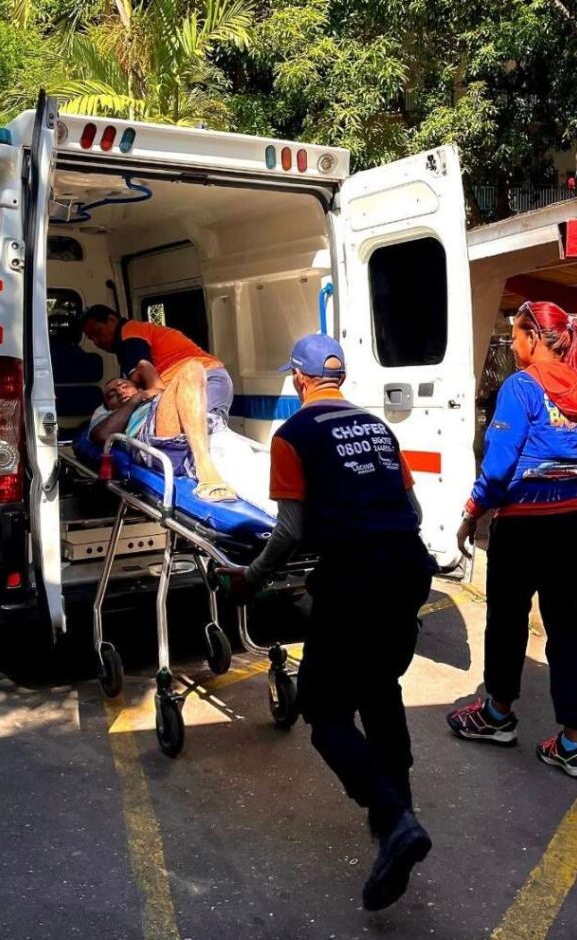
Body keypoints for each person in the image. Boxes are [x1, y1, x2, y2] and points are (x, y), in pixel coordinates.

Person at [221, 334, 437, 911]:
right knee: (380, 688)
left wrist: (252, 577)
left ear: (299, 379)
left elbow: (290, 530)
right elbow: (412, 511)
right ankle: (398, 819)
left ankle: (392, 819)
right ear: (339, 378)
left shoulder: (293, 435)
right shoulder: (378, 429)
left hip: (354, 581)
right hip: (408, 571)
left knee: (325, 714)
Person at [447, 301, 577, 780]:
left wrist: (472, 511)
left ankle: (497, 715)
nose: (511, 342)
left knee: (507, 619)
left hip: (525, 524)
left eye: (516, 334)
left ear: (536, 337)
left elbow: (499, 465)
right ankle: (572, 743)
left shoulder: (521, 387)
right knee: (566, 628)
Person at [89, 338, 235, 500]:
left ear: (138, 387)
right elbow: (100, 436)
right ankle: (206, 471)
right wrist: (135, 399)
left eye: (124, 386)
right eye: (112, 395)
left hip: (187, 426)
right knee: (191, 370)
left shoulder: (155, 393)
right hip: (153, 437)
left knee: (195, 369)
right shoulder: (109, 414)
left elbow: (144, 365)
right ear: (108, 406)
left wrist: (141, 391)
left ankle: (206, 448)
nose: (120, 391)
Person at [78, 304, 234, 427]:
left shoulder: (130, 337)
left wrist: (151, 399)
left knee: (200, 430)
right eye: (91, 339)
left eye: (98, 333)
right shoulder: (134, 333)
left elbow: (143, 371)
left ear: (112, 320)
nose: (96, 342)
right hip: (198, 378)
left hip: (203, 378)